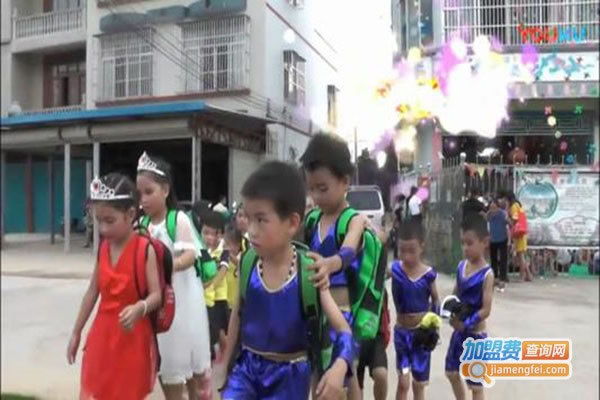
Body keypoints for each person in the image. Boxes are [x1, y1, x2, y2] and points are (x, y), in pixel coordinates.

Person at [221, 161, 356, 399]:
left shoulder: (309, 271)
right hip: (246, 372)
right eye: (248, 218)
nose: (251, 230)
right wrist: (223, 365)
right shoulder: (247, 262)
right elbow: (237, 316)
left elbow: (344, 329)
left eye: (261, 220)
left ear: (292, 223)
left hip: (290, 378)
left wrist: (340, 365)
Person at [67, 173, 161, 399]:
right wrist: (77, 331)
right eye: (98, 221)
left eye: (110, 221)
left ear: (130, 215)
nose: (103, 229)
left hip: (132, 336)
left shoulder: (143, 249)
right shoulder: (104, 249)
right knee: (95, 391)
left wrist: (140, 308)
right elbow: (93, 291)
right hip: (102, 334)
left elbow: (156, 294)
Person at [136, 152, 211, 400]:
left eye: (149, 192)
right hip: (156, 304)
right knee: (165, 364)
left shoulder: (177, 220)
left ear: (166, 190)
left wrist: (166, 266)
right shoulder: (142, 224)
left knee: (182, 366)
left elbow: (189, 256)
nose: (143, 199)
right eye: (140, 193)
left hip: (181, 304)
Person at [300, 133, 370, 400]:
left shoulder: (353, 220)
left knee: (343, 381)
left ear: (345, 181)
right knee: (319, 378)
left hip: (343, 315)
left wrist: (330, 264)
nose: (316, 196)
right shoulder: (312, 220)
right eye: (311, 189)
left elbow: (349, 251)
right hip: (315, 315)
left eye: (323, 188)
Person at [445, 214, 494, 400]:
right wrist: (448, 311)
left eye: (470, 243)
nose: (465, 248)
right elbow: (455, 294)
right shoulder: (461, 266)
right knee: (451, 372)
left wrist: (467, 324)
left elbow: (486, 309)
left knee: (476, 385)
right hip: (459, 333)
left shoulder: (487, 274)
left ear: (484, 242)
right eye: (463, 243)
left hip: (476, 336)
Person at [391, 220, 440, 400]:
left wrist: (434, 325)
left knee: (419, 384)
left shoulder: (428, 274)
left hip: (421, 334)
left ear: (421, 247)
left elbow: (435, 299)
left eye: (411, 251)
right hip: (402, 334)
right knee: (403, 382)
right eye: (402, 250)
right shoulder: (395, 269)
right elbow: (375, 276)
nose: (407, 256)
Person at [201, 210, 229, 362]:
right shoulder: (201, 250)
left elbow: (223, 271)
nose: (208, 237)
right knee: (211, 330)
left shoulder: (224, 251)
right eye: (205, 232)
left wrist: (209, 285)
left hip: (220, 297)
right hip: (206, 299)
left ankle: (227, 358)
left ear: (220, 234)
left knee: (221, 332)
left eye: (212, 234)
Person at [507, 191, 532, 282]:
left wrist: (508, 220)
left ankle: (522, 276)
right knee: (521, 255)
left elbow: (515, 219)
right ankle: (528, 275)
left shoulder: (513, 206)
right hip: (521, 233)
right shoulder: (518, 205)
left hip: (519, 233)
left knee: (520, 255)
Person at [487, 198, 510, 291]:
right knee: (493, 259)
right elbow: (486, 221)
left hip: (502, 238)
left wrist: (508, 220)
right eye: (491, 207)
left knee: (503, 259)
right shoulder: (489, 214)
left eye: (494, 207)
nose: (492, 209)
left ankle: (502, 278)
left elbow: (508, 224)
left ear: (498, 206)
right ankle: (495, 277)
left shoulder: (502, 213)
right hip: (493, 239)